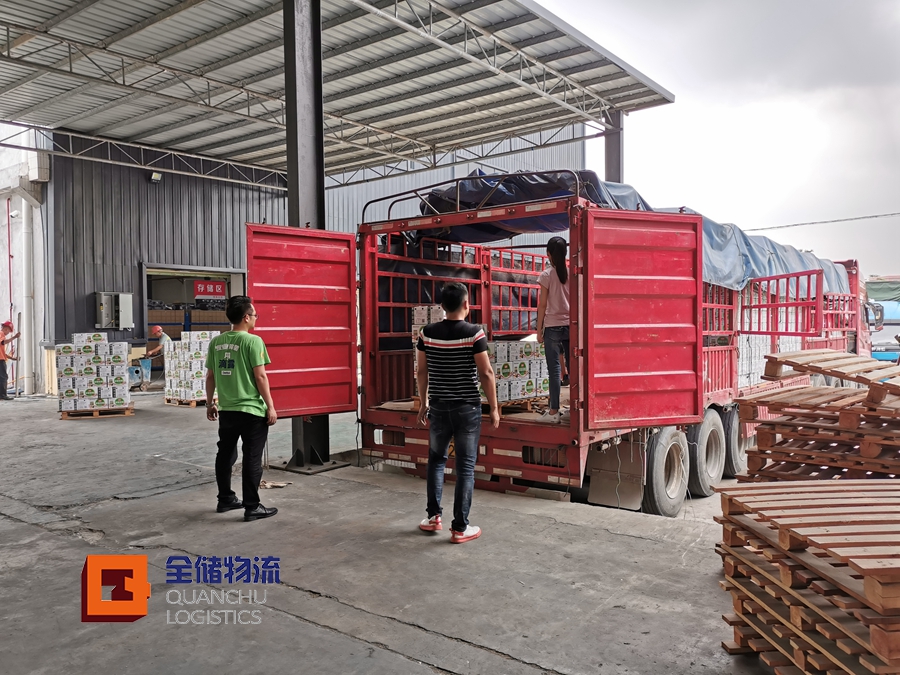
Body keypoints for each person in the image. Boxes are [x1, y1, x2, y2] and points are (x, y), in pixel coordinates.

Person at [416, 282, 499, 543]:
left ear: (442, 306)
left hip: (438, 407)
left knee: (436, 461)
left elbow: (421, 370)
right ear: (467, 304)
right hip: (467, 409)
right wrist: (494, 408)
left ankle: (432, 518)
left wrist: (423, 402)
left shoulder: (426, 333)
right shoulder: (474, 333)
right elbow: (486, 373)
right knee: (465, 466)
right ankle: (460, 528)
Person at [205, 296, 278, 522]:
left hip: (227, 409)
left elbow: (210, 376)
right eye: (254, 315)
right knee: (252, 458)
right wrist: (271, 406)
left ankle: (225, 499)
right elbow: (261, 376)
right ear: (246, 317)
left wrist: (210, 403)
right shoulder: (253, 341)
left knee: (225, 454)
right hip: (252, 411)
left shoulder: (216, 343)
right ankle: (252, 506)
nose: (256, 319)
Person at [536, 237, 570, 423]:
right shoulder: (573, 273)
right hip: (572, 326)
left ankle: (554, 412)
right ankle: (575, 410)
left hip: (552, 327)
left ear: (548, 254)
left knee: (554, 370)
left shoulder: (547, 275)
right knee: (575, 370)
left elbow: (542, 305)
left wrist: (539, 329)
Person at [0, 321, 20, 400]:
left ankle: (1, 395)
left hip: (1, 358)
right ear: (6, 328)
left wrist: (12, 358)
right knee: (3, 377)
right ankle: (2, 395)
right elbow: (3, 342)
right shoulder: (1, 334)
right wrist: (14, 337)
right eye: (9, 331)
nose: (8, 333)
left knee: (2, 377)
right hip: (0, 360)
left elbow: (2, 352)